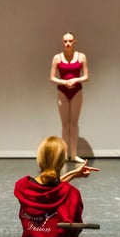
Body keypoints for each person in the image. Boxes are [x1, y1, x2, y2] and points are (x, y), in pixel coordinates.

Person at [14, 136, 99, 237]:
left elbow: (44, 191)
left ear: (39, 159)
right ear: (62, 162)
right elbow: (74, 233)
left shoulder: (23, 187)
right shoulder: (72, 194)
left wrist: (72, 174)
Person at [50, 32, 89, 163]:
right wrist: (64, 82)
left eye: (70, 41)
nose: (68, 44)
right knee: (65, 125)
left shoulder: (81, 56)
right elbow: (52, 77)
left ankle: (74, 154)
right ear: (62, 42)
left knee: (74, 124)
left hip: (76, 91)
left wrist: (75, 80)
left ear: (74, 42)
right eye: (65, 41)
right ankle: (65, 154)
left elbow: (86, 76)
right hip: (62, 92)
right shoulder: (57, 58)